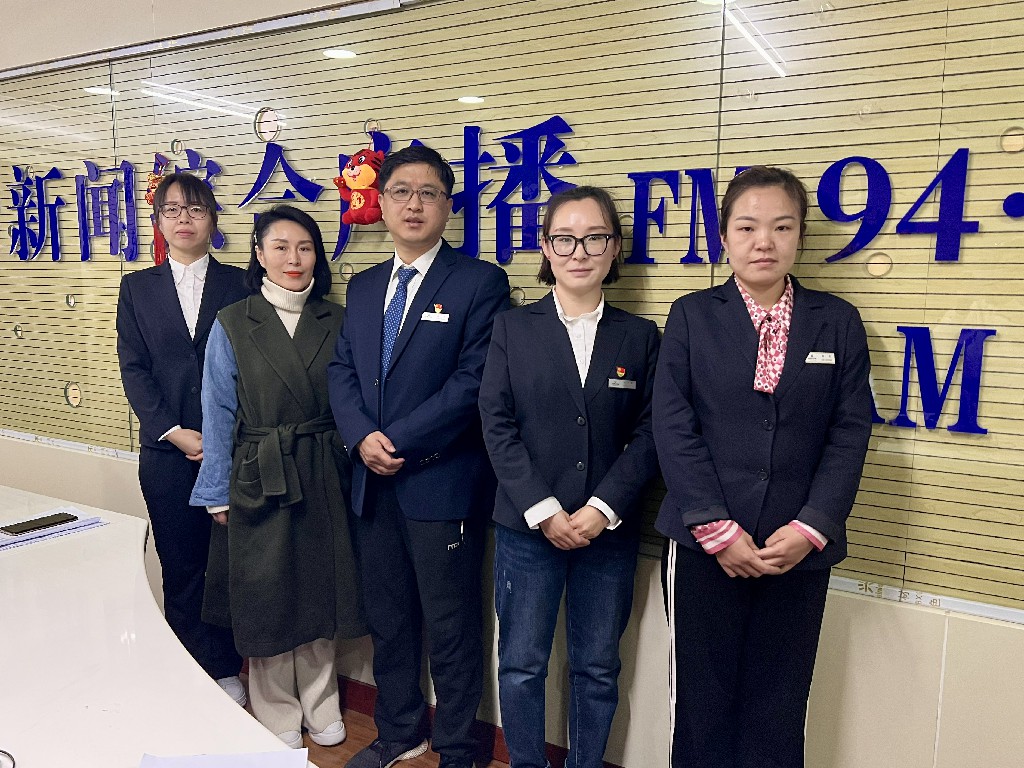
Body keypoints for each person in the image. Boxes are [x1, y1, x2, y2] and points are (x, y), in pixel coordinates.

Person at [654, 166, 873, 768]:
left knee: (779, 705)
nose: (764, 242)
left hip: (797, 549)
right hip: (704, 546)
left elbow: (850, 431)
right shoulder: (692, 316)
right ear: (724, 235)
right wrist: (716, 528)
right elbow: (673, 426)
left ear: (800, 236)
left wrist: (813, 526)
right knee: (701, 704)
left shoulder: (837, 321)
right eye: (747, 227)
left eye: (782, 226)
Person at [327, 144, 510, 768]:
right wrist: (361, 438)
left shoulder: (479, 282)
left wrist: (396, 441)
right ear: (379, 203)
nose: (413, 204)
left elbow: (473, 381)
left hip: (441, 484)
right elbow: (342, 370)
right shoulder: (364, 286)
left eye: (428, 192)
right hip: (372, 484)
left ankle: (458, 746)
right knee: (390, 620)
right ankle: (399, 729)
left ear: (448, 206)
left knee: (452, 625)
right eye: (400, 191)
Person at [478, 186, 660, 768]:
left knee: (598, 668)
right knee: (521, 665)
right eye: (564, 239)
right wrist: (544, 509)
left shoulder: (640, 336)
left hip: (608, 534)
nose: (579, 252)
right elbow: (496, 423)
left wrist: (602, 508)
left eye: (595, 238)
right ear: (545, 247)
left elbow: (652, 433)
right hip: (527, 529)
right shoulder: (512, 328)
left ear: (615, 248)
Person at [190, 205, 364, 749]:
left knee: (320, 588)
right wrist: (215, 490)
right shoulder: (232, 322)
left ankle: (321, 698)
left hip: (323, 467)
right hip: (258, 471)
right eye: (281, 247)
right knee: (266, 592)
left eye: (305, 247)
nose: (294, 258)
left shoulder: (337, 319)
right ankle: (275, 706)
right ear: (259, 254)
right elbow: (217, 411)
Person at [116, 172, 247, 704]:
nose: (184, 219)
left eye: (195, 209)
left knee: (229, 564)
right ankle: (189, 667)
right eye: (172, 210)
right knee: (181, 565)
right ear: (158, 222)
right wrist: (174, 433)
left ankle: (227, 666)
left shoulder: (240, 284)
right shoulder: (137, 288)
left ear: (212, 220)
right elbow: (134, 369)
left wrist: (220, 437)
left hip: (231, 450)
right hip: (166, 454)